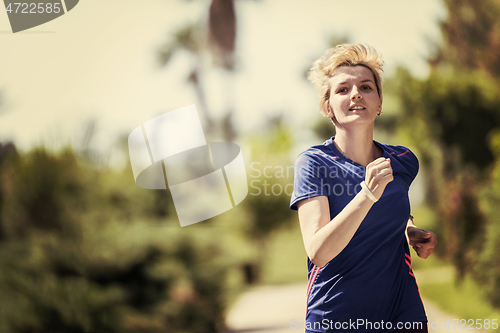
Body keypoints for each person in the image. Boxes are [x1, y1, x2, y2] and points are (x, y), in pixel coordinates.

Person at [290, 44, 437, 333]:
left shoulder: (403, 161)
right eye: (343, 89)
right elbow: (319, 251)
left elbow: (393, 207)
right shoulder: (313, 163)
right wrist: (367, 194)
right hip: (336, 318)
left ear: (379, 103)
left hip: (403, 315)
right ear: (327, 106)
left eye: (366, 87)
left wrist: (408, 229)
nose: (356, 93)